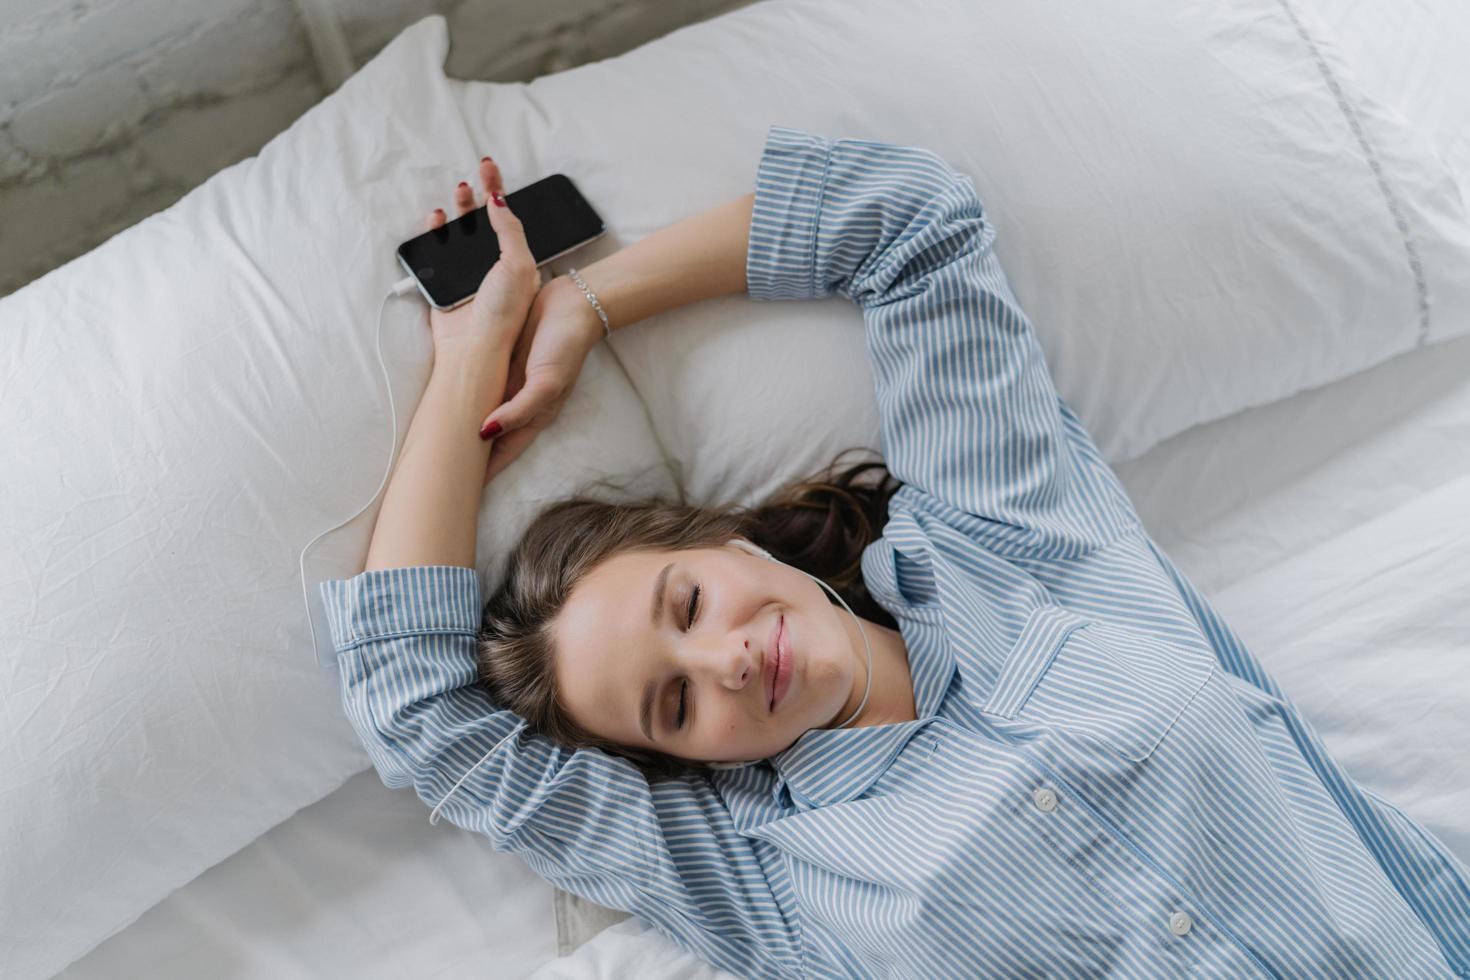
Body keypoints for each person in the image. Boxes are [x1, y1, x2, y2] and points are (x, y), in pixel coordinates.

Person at [319, 127, 1470, 977]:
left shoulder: (1007, 540)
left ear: (729, 543)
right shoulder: (764, 875)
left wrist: (586, 307)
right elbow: (417, 705)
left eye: (688, 602)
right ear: (679, 761)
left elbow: (905, 220)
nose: (719, 662)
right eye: (671, 705)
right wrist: (470, 361)